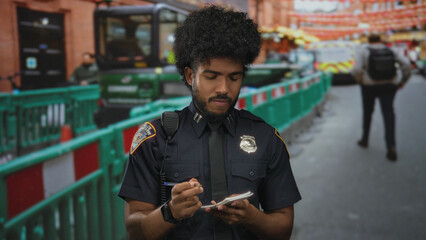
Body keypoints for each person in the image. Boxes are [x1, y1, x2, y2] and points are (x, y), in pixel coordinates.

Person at [118, 5, 301, 240]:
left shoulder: (265, 137)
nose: (224, 89)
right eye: (211, 76)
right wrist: (170, 211)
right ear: (190, 75)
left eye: (234, 77)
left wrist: (252, 217)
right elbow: (135, 230)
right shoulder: (155, 138)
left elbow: (284, 228)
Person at [352, 34, 411, 161]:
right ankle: (391, 147)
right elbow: (406, 65)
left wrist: (361, 81)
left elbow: (357, 69)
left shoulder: (363, 51)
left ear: (369, 41)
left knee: (367, 112)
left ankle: (365, 139)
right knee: (389, 114)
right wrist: (402, 81)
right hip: (389, 85)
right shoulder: (392, 50)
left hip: (369, 86)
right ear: (381, 40)